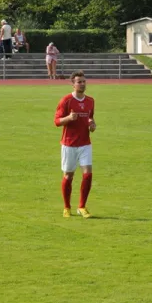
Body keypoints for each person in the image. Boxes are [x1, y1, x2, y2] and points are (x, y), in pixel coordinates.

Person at [54, 70, 96, 218]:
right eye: (79, 82)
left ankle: (82, 207)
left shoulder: (90, 101)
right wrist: (69, 118)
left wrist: (92, 125)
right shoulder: (66, 101)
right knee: (68, 176)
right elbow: (57, 121)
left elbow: (90, 119)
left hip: (85, 143)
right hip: (69, 144)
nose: (82, 84)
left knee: (88, 174)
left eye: (84, 81)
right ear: (73, 84)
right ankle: (67, 207)